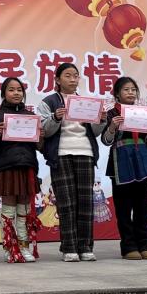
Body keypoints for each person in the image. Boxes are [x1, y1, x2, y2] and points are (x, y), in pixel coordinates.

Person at [36, 63, 108, 262]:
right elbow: (44, 130)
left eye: (75, 76)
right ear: (57, 80)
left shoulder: (86, 102)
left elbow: (95, 132)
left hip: (85, 152)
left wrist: (101, 120)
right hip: (60, 154)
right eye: (67, 75)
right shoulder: (49, 102)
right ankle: (69, 247)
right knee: (66, 203)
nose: (73, 79)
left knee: (85, 202)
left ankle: (85, 247)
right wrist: (55, 117)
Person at [102, 77, 147, 260]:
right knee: (123, 207)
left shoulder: (144, 113)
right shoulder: (112, 113)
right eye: (126, 89)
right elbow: (106, 141)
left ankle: (145, 245)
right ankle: (129, 246)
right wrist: (112, 127)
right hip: (121, 162)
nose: (130, 93)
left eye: (133, 89)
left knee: (142, 206)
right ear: (117, 93)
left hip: (142, 160)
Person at [0, 77, 41, 263]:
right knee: (9, 209)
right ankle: (9, 246)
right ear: (4, 93)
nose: (16, 93)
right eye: (11, 89)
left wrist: (40, 134)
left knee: (24, 209)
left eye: (19, 90)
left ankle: (24, 247)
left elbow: (40, 146)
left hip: (27, 166)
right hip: (6, 167)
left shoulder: (30, 116)